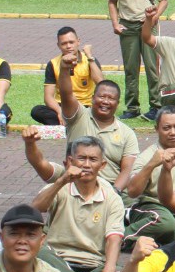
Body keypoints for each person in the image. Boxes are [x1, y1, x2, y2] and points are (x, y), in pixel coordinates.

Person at [32, 136, 129, 272]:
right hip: (58, 260)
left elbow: (114, 239)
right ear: (70, 161)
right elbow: (36, 208)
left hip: (93, 265)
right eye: (81, 158)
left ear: (102, 165)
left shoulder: (112, 197)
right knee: (37, 253)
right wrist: (61, 181)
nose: (86, 165)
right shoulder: (60, 186)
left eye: (93, 160)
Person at [123, 108, 175, 247]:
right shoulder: (147, 157)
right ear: (156, 129)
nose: (173, 132)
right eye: (167, 128)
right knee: (166, 222)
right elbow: (132, 191)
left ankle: (162, 241)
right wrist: (151, 165)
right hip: (154, 207)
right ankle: (122, 237)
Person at [56, 53, 135, 191]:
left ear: (117, 103)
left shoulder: (127, 133)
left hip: (111, 190)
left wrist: (113, 194)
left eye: (111, 98)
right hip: (77, 186)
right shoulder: (78, 116)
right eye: (101, 96)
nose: (105, 101)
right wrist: (64, 69)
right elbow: (66, 94)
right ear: (92, 98)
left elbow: (128, 169)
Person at [107, 0, 169, 119]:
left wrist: (155, 16)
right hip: (127, 26)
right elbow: (112, 1)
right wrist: (115, 23)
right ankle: (132, 107)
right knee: (130, 69)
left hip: (148, 25)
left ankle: (156, 106)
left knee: (152, 68)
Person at [31, 27, 98, 127]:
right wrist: (60, 112)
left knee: (96, 112)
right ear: (58, 45)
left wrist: (90, 57)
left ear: (78, 42)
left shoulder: (89, 60)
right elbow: (48, 97)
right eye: (64, 43)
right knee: (37, 111)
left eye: (71, 42)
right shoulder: (53, 64)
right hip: (62, 105)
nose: (68, 46)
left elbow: (101, 83)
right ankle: (74, 125)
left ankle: (67, 126)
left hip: (84, 106)